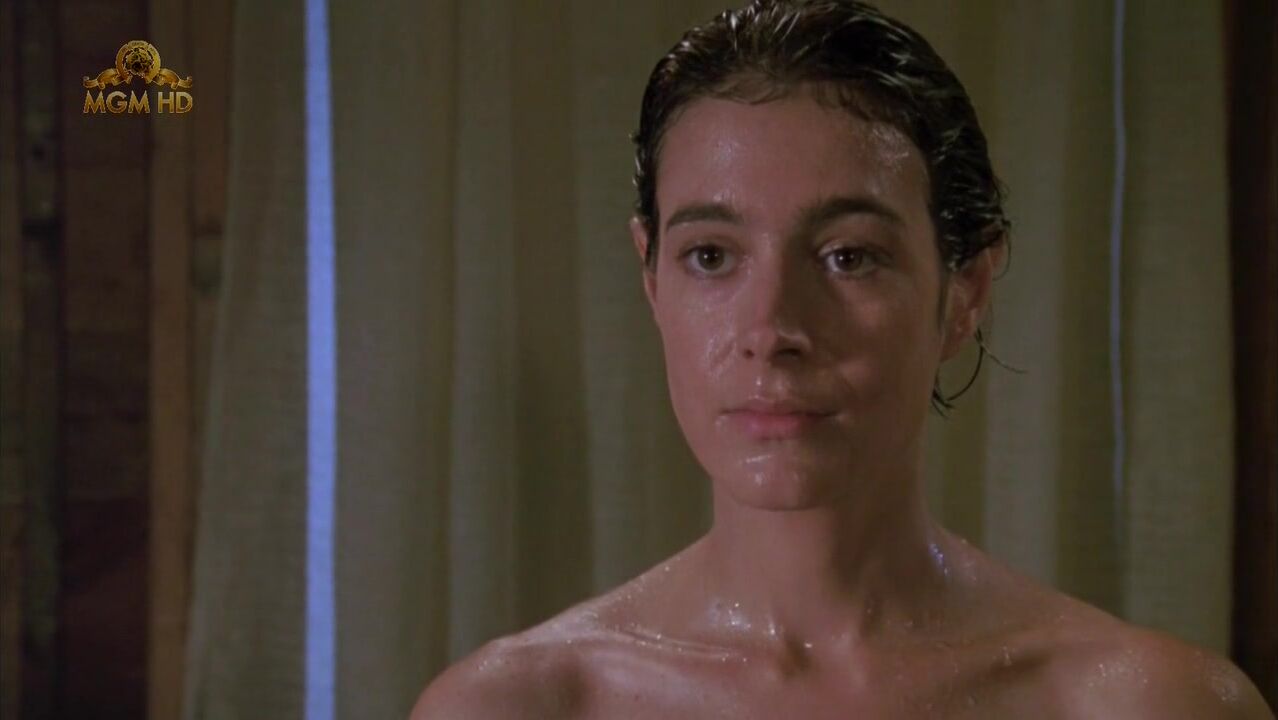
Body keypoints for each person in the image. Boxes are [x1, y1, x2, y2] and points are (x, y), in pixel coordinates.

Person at [413, 1, 1274, 717]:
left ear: (964, 291)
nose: (772, 328)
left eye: (848, 256)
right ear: (651, 279)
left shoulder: (1141, 704)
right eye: (711, 256)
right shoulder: (518, 707)